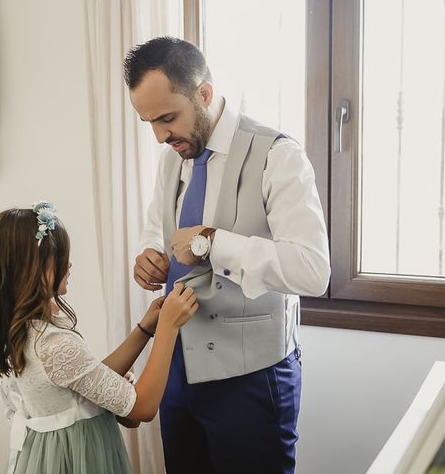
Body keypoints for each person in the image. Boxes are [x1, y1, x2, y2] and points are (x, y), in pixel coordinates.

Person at [125, 37, 331, 473]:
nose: (161, 136)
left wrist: (212, 242)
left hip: (252, 379)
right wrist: (149, 252)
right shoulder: (172, 157)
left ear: (203, 93)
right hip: (176, 368)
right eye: (149, 122)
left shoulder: (279, 155)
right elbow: (158, 228)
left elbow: (313, 272)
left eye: (167, 118)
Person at [0, 202, 198, 474]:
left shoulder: (28, 329)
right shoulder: (54, 345)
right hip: (75, 457)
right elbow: (143, 407)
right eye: (60, 259)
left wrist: (144, 330)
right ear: (34, 269)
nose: (68, 264)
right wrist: (168, 328)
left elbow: (84, 377)